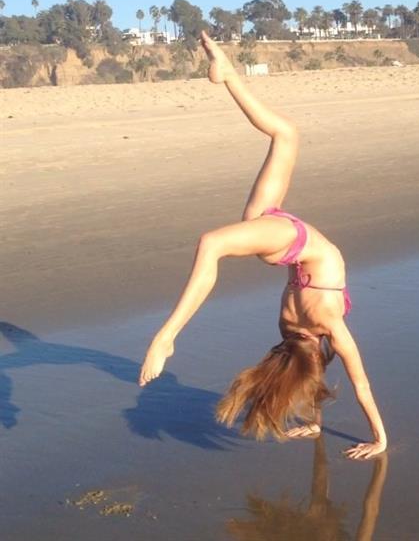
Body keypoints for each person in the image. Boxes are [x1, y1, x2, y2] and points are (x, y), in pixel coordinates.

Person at [139, 31, 387, 460]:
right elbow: (318, 374)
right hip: (279, 234)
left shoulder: (327, 325)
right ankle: (227, 74)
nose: (323, 358)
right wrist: (320, 424)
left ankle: (167, 336)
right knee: (285, 134)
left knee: (212, 242)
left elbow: (356, 382)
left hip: (289, 239)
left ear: (313, 349)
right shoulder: (290, 330)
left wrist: (379, 437)